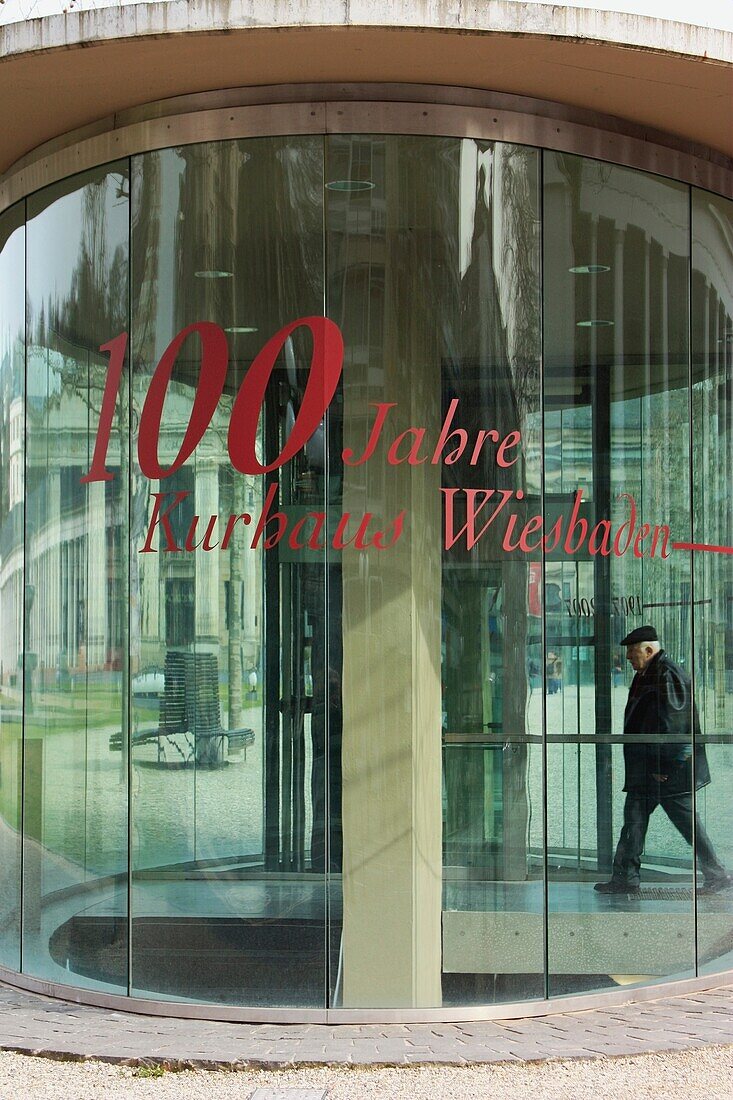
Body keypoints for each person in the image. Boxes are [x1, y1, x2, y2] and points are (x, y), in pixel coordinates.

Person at [595, 625, 731, 897]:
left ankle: (717, 874)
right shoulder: (651, 672)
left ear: (648, 650)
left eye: (633, 653)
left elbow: (676, 727)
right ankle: (625, 878)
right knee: (634, 823)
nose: (629, 659)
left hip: (665, 773)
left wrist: (663, 769)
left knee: (684, 823)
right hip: (651, 771)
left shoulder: (665, 674)